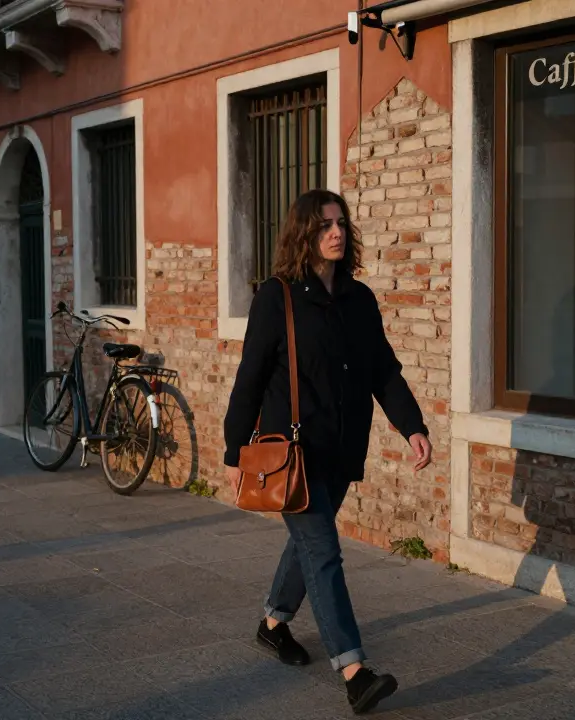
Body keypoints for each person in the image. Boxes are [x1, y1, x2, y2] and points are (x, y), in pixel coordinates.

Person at [223, 189, 433, 715]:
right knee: (323, 550)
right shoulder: (279, 296)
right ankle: (354, 671)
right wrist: (234, 451)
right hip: (293, 450)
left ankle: (273, 623)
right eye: (324, 226)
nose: (336, 233)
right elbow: (250, 378)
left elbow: (382, 369)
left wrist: (412, 426)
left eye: (340, 224)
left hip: (342, 447)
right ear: (303, 235)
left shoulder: (360, 300)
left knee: (308, 543)